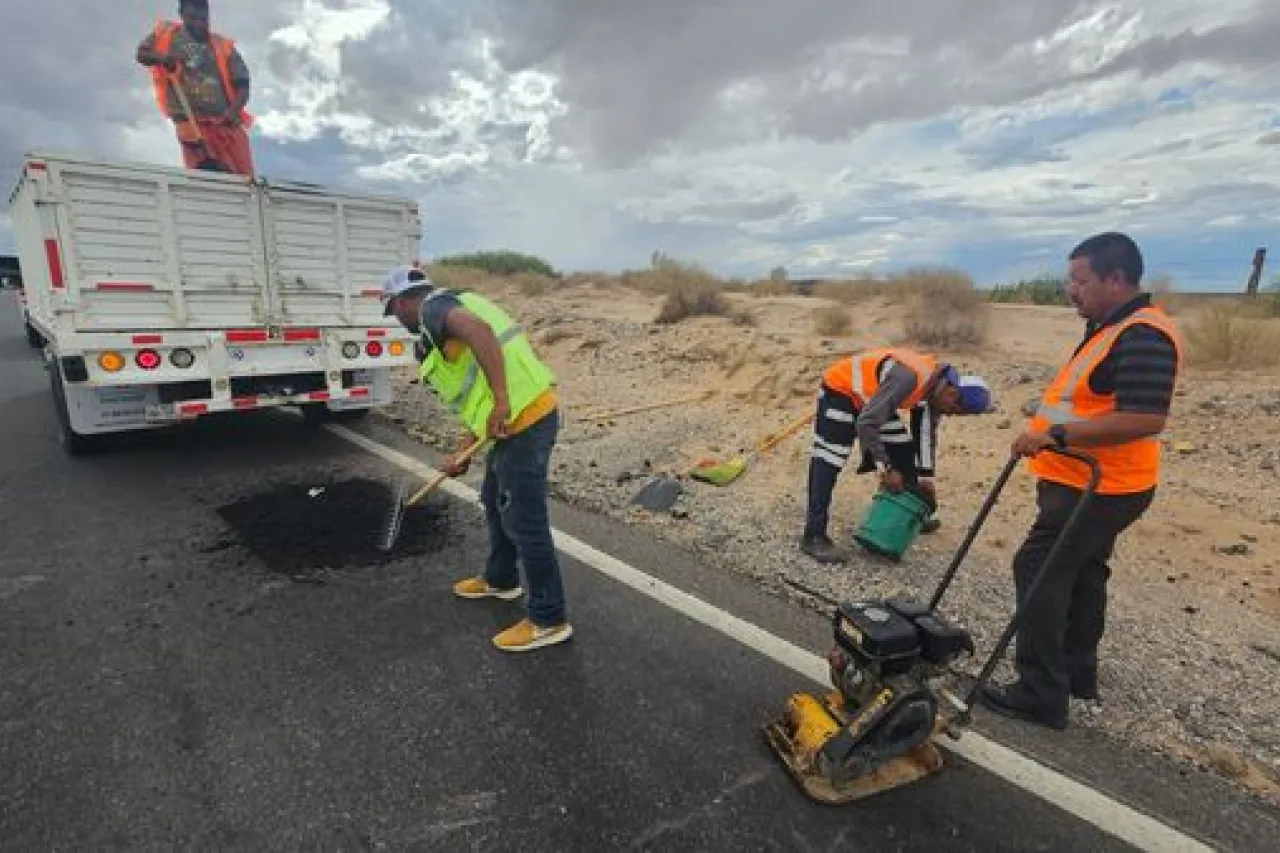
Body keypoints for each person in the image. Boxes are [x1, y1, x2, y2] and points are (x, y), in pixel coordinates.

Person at [977, 232, 1181, 730]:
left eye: (1079, 279)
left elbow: (1145, 419)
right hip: (1086, 482)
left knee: (1038, 566)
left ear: (1115, 279)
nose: (1070, 289)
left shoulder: (1142, 335)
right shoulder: (1108, 326)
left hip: (1103, 486)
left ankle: (1040, 692)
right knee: (1084, 570)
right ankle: (1075, 674)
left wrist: (1057, 436)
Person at [381, 266, 572, 653]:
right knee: (493, 500)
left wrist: (502, 401)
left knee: (524, 519)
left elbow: (481, 335)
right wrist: (463, 450)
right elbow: (476, 395)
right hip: (509, 423)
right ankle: (501, 579)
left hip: (525, 419)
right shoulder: (446, 312)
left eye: (393, 310)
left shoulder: (434, 311)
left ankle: (548, 618)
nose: (397, 320)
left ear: (402, 302)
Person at [801, 347, 992, 563]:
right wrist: (886, 470)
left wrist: (925, 480)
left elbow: (925, 434)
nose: (950, 413)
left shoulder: (934, 387)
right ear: (953, 392)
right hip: (842, 392)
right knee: (829, 459)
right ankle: (813, 535)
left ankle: (907, 513)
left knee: (902, 449)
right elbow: (867, 424)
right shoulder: (908, 378)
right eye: (954, 409)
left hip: (873, 400)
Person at [136, 0, 255, 177]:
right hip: (191, 122)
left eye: (203, 19)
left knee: (243, 179)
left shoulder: (222, 45)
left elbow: (243, 84)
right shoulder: (165, 34)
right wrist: (162, 58)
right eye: (193, 18)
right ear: (181, 14)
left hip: (225, 123)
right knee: (204, 177)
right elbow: (142, 54)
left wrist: (233, 111)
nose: (200, 23)